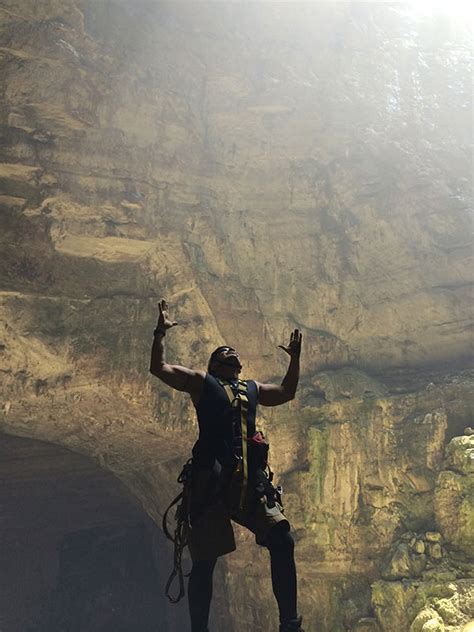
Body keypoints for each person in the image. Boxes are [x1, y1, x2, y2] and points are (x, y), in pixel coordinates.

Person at [150, 299, 304, 632]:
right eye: (223, 351)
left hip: (251, 485)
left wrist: (295, 361)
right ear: (214, 364)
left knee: (282, 538)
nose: (230, 350)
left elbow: (288, 392)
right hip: (210, 486)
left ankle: (290, 624)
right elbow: (159, 369)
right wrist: (160, 332)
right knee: (205, 562)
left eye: (233, 351)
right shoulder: (202, 383)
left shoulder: (252, 389)